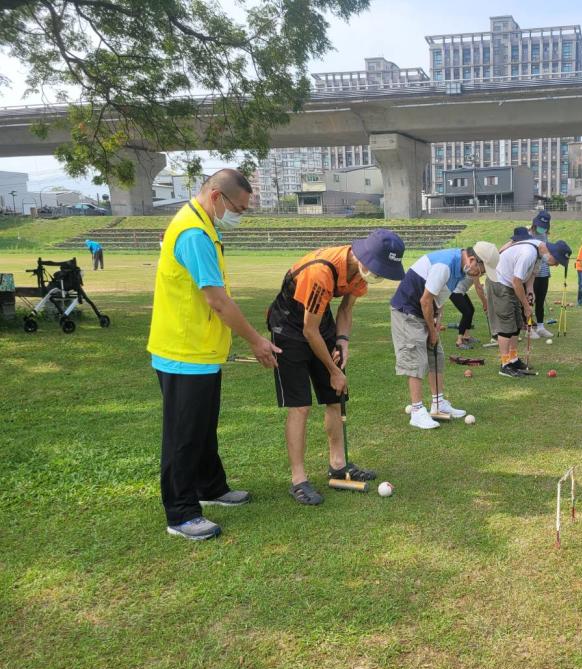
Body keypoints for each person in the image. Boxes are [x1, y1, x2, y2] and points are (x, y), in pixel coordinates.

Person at [147, 169, 280, 541]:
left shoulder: (205, 226)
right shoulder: (194, 233)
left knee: (202, 427)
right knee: (183, 435)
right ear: (218, 196)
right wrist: (256, 340)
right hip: (182, 351)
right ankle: (181, 512)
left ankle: (211, 487)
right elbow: (218, 301)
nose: (239, 214)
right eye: (239, 207)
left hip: (200, 351)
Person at [267, 229, 406, 505]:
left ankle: (339, 466)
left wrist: (342, 342)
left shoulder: (358, 273)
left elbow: (345, 310)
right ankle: (298, 480)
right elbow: (309, 331)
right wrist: (334, 369)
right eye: (379, 268)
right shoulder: (321, 272)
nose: (379, 275)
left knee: (335, 397)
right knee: (301, 406)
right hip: (290, 328)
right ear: (365, 257)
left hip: (319, 323)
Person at [391, 242, 500, 429]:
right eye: (481, 270)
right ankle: (417, 411)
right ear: (473, 260)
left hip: (422, 310)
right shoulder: (445, 265)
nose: (480, 275)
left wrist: (437, 322)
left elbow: (438, 299)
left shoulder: (459, 269)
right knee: (415, 358)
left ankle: (438, 404)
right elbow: (425, 300)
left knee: (437, 356)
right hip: (407, 311)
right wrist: (432, 331)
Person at [489, 227, 571, 378]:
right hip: (500, 282)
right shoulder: (529, 253)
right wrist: (526, 306)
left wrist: (530, 292)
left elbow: (531, 275)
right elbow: (516, 281)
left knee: (516, 324)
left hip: (511, 283)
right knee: (507, 324)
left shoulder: (540, 255)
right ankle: (505, 364)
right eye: (557, 261)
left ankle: (513, 359)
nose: (557, 265)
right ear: (551, 254)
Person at [529, 209, 555, 339]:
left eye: (545, 226)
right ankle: (528, 328)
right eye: (540, 225)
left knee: (540, 301)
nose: (542, 229)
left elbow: (547, 252)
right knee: (529, 301)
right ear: (535, 223)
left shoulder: (544, 235)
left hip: (544, 273)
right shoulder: (528, 234)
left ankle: (540, 327)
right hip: (530, 275)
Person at [449, 276, 488, 349]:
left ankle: (466, 336)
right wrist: (485, 303)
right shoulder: (475, 270)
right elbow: (478, 287)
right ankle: (459, 341)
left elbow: (479, 286)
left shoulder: (477, 269)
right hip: (455, 292)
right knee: (467, 313)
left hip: (461, 291)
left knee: (471, 310)